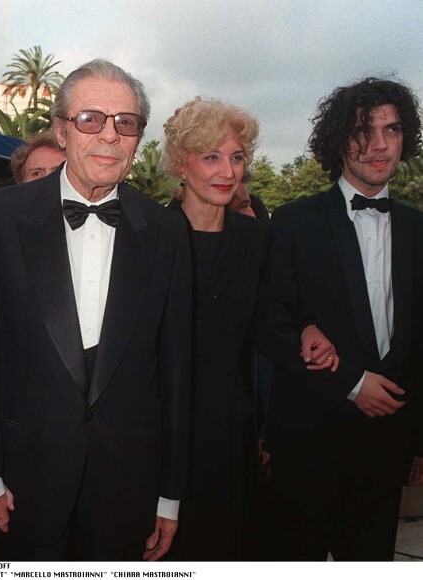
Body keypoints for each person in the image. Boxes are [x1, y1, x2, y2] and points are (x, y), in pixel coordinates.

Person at [0, 59, 192, 562]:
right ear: (62, 131)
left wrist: (169, 494)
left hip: (128, 494)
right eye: (91, 119)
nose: (109, 135)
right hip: (24, 485)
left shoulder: (168, 232)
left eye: (125, 122)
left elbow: (175, 375)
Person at [253, 77, 423, 560]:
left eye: (390, 129)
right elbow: (269, 321)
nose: (377, 144)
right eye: (361, 131)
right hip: (309, 443)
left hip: (387, 449)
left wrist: (419, 442)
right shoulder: (292, 221)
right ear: (337, 139)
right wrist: (351, 381)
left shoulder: (417, 229)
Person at [161, 97, 336, 560]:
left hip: (228, 434)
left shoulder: (257, 238)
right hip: (159, 433)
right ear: (182, 164)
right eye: (211, 156)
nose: (227, 171)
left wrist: (306, 331)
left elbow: (271, 319)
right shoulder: (151, 234)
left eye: (236, 157)